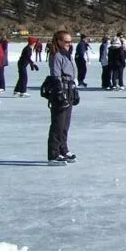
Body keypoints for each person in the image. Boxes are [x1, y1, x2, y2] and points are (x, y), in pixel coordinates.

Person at [46, 31, 79, 165]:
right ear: (59, 41)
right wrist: (60, 93)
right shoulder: (56, 56)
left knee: (65, 124)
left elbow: (72, 74)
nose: (69, 44)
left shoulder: (68, 55)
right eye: (66, 42)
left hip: (69, 90)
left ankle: (63, 149)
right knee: (58, 124)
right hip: (60, 91)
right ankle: (53, 154)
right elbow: (55, 76)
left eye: (70, 41)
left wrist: (74, 90)